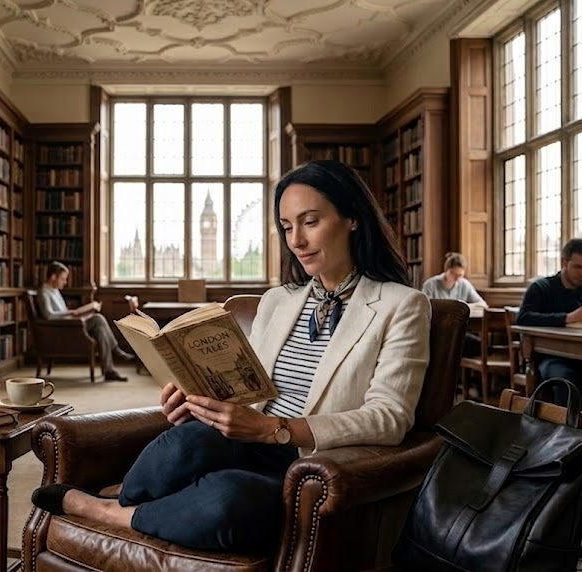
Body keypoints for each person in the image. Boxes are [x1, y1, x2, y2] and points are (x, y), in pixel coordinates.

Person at [31, 161, 431, 553]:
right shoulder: (278, 301)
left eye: (310, 222)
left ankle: (111, 511)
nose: (296, 241)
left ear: (352, 218)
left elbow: (390, 418)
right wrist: (197, 401)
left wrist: (275, 429)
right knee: (184, 441)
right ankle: (137, 496)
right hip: (243, 440)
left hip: (309, 462)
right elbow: (246, 387)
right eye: (287, 227)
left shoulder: (402, 305)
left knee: (227, 501)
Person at [37, 261, 135, 381]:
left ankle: (109, 370)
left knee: (100, 330)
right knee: (98, 318)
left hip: (69, 324)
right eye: (63, 279)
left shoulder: (54, 290)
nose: (65, 282)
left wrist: (74, 313)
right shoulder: (44, 292)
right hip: (64, 330)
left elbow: (59, 312)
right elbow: (49, 315)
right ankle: (116, 350)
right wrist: (71, 313)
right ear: (53, 277)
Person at [516, 238, 582, 404]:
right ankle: (564, 429)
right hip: (549, 357)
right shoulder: (541, 288)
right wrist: (567, 318)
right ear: (563, 262)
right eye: (578, 267)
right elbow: (523, 318)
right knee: (567, 380)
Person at [422, 252, 487, 357]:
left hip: (459, 329)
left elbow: (483, 304)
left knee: (479, 345)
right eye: (454, 275)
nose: (457, 279)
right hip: (438, 331)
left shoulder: (464, 284)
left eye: (460, 275)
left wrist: (465, 307)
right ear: (446, 270)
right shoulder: (431, 284)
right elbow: (425, 309)